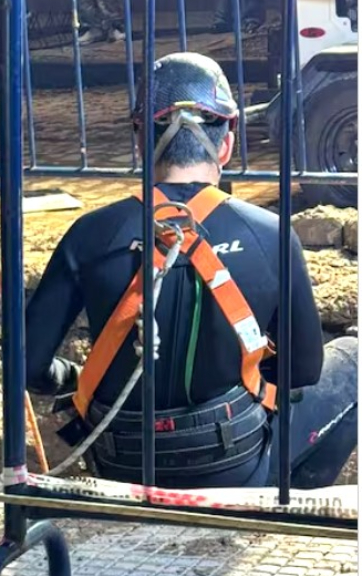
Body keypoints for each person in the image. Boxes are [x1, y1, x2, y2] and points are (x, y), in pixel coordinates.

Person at [24, 52, 357, 490]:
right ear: (226, 143)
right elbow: (303, 370)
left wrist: (72, 374)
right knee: (352, 363)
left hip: (119, 463)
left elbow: (27, 364)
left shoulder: (91, 233)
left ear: (142, 139)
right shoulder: (269, 233)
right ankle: (288, 503)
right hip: (234, 465)